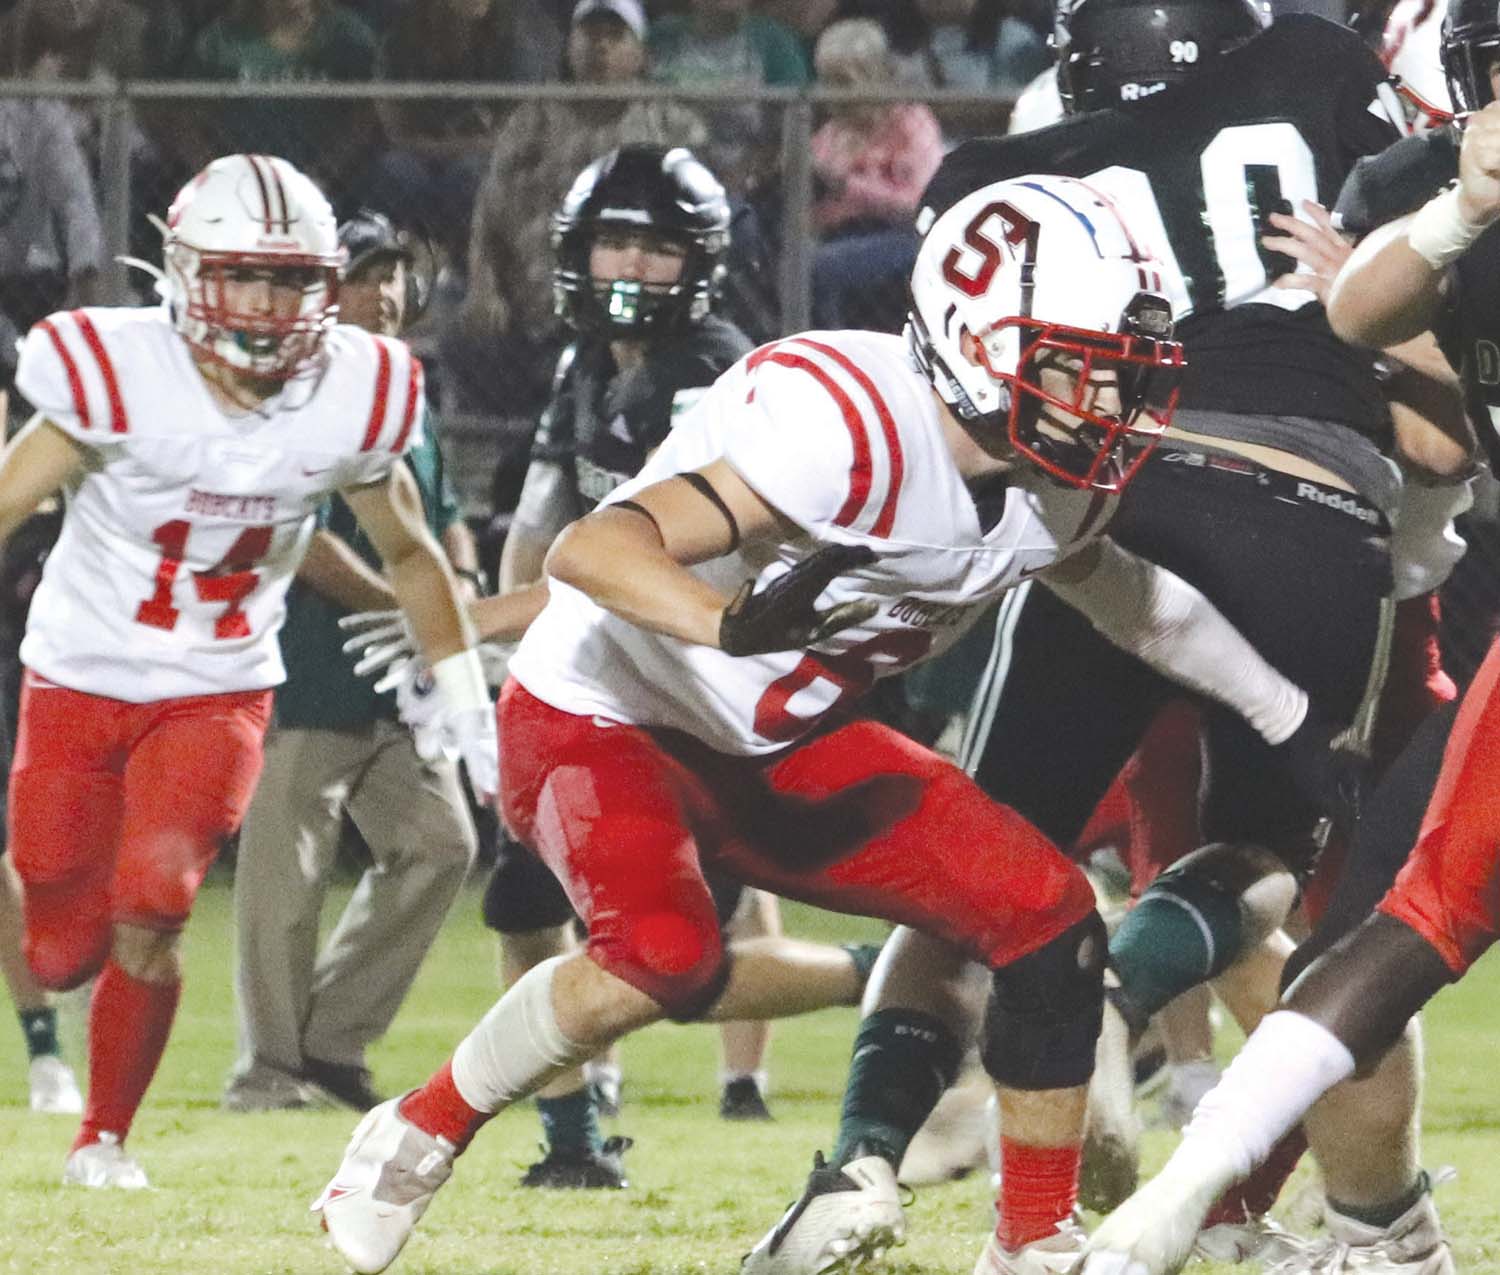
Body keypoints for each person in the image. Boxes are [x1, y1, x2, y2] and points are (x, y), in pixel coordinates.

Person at [314, 169, 1350, 1275]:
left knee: (1049, 917)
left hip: (782, 740)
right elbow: (594, 548)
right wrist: (723, 622)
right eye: (1081, 367)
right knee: (662, 955)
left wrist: (1287, 714)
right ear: (977, 340)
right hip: (610, 716)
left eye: (1122, 372)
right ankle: (418, 1129)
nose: (1109, 402)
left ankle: (1033, 1242)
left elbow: (1136, 601)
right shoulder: (843, 422)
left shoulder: (1056, 487)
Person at [739, 1, 1480, 1267]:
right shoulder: (1319, 65)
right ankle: (1123, 997)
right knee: (1260, 857)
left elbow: (965, 382)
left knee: (980, 863)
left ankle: (856, 1164)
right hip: (1307, 503)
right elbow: (1437, 434)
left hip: (1101, 490)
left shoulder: (1002, 171)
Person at [350, 144, 880, 1179]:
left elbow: (639, 569)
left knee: (680, 965)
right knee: (527, 909)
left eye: (656, 248)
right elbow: (542, 524)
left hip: (702, 690)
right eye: (613, 242)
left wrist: (469, 623)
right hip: (609, 682)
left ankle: (898, 968)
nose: (630, 267)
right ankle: (572, 1141)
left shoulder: (710, 379)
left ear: (701, 262)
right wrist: (509, 654)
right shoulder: (589, 363)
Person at [1079, 14, 1500, 1273]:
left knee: (1386, 915)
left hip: (1412, 579)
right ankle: (1359, 1231)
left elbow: (1432, 420)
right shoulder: (1423, 182)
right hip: (1425, 583)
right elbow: (1363, 312)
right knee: (1379, 927)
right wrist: (1455, 216)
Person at [0, 153, 497, 1189]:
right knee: (58, 945)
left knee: (156, 901)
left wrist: (465, 697)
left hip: (218, 684)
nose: (267, 305)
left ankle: (103, 1137)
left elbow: (411, 551)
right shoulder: (114, 369)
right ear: (186, 272)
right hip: (79, 675)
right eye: (244, 276)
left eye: (290, 280)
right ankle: (67, 981)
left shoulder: (352, 390)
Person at [222, 210, 482, 1115]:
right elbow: (303, 543)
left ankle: (329, 1043)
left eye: (395, 273)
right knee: (284, 882)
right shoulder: (295, 390)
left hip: (395, 683)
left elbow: (442, 515)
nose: (386, 292)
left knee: (442, 844)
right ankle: (267, 1071)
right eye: (365, 274)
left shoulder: (401, 388)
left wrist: (459, 583)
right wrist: (412, 612)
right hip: (304, 665)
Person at [452, 0, 708, 419]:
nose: (600, 47)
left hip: (628, 301)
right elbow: (489, 212)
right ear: (569, 47)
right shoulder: (532, 119)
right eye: (590, 35)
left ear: (640, 52)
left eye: (614, 36)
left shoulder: (668, 123)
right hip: (535, 299)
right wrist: (485, 288)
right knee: (463, 335)